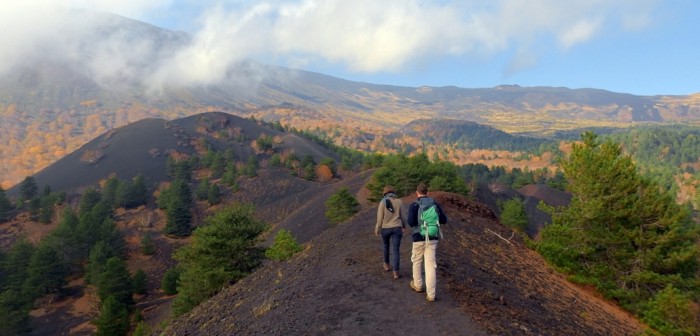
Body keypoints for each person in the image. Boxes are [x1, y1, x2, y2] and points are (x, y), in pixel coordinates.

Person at [407, 182, 447, 302]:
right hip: (432, 237)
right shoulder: (434, 204)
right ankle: (431, 294)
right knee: (430, 265)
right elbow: (444, 220)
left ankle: (418, 285)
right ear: (427, 192)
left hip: (418, 237)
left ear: (417, 193)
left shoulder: (414, 205)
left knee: (417, 261)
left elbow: (410, 222)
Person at [375, 185, 405, 279]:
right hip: (397, 228)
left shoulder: (382, 202)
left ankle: (386, 265)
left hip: (386, 228)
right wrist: (404, 226)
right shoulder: (399, 201)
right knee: (396, 250)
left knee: (386, 246)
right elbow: (403, 216)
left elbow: (379, 219)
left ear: (385, 193)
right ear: (393, 192)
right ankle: (396, 272)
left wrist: (377, 229)